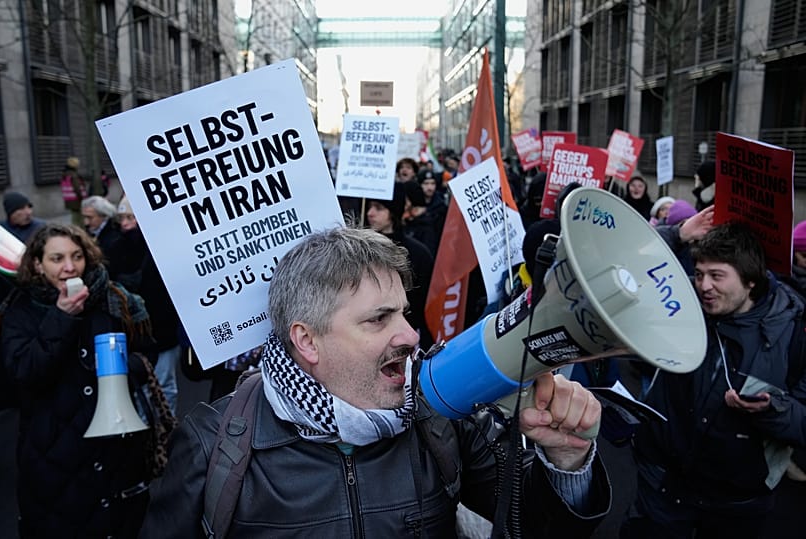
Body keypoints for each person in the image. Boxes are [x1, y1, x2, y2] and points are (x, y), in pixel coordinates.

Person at [140, 226, 611, 537]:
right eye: (378, 319)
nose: (410, 336)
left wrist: (566, 461)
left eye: (403, 314)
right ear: (307, 340)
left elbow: (534, 526)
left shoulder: (439, 416)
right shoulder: (215, 444)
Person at [622, 222, 806, 538]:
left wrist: (772, 411)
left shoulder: (794, 335)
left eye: (717, 276)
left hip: (737, 502)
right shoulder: (682, 305)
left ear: (750, 280)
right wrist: (677, 234)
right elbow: (624, 267)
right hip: (663, 484)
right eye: (698, 274)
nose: (703, 286)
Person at [0, 223, 156, 538]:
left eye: (77, 256)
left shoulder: (113, 299)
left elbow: (146, 352)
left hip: (115, 454)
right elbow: (23, 372)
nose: (70, 267)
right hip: (54, 458)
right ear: (38, 264)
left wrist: (125, 368)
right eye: (57, 259)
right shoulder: (19, 311)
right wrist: (62, 317)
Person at [107, 196, 182, 414]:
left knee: (164, 384)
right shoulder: (114, 248)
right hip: (134, 332)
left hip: (162, 329)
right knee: (140, 386)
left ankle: (166, 425)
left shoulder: (162, 246)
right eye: (122, 218)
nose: (125, 224)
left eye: (130, 218)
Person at [366, 182, 435, 348]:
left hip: (407, 339)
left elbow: (425, 304)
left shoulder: (418, 253)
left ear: (393, 212)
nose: (370, 213)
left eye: (378, 208)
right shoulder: (361, 250)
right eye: (369, 207)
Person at [60, 156, 88, 225]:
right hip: (76, 200)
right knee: (79, 218)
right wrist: (82, 197)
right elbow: (77, 188)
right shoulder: (74, 175)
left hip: (69, 200)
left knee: (75, 216)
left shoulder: (64, 175)